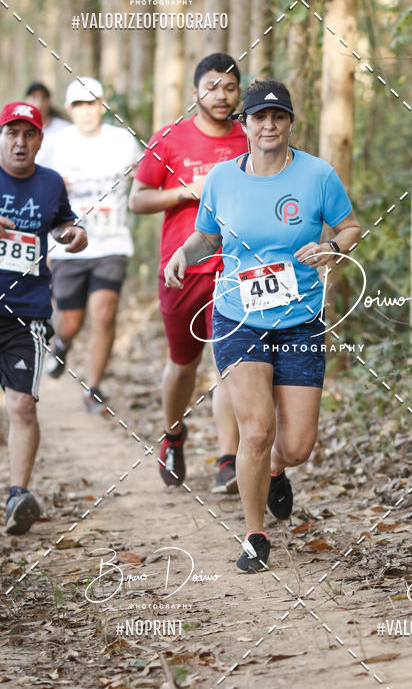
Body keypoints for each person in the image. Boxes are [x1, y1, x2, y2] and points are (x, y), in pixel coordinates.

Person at [164, 79, 362, 573]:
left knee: (295, 445)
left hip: (300, 321)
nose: (269, 125)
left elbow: (351, 227)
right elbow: (205, 238)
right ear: (244, 124)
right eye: (259, 117)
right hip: (237, 319)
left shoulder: (318, 175)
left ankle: (275, 470)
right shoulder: (222, 180)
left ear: (290, 122)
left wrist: (332, 248)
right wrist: (180, 256)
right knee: (255, 431)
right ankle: (255, 534)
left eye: (278, 117)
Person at [129, 53, 245, 492]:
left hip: (236, 268)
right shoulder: (171, 139)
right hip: (182, 268)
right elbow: (137, 200)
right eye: (212, 86)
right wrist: (186, 191)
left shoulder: (247, 138)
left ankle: (228, 461)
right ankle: (173, 435)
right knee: (184, 364)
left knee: (232, 365)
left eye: (230, 87)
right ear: (196, 91)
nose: (221, 95)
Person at [0, 101, 87, 534]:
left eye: (28, 134)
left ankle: (18, 495)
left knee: (23, 405)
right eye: (12, 133)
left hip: (26, 311)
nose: (20, 142)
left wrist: (74, 235)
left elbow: (63, 223)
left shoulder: (50, 183)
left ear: (39, 139)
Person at [42, 77, 138, 412]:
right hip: (68, 244)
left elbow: (141, 180)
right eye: (79, 105)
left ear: (103, 105)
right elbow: (43, 195)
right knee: (70, 321)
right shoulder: (56, 144)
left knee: (104, 313)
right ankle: (62, 343)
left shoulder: (123, 141)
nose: (86, 111)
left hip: (111, 242)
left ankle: (93, 387)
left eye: (92, 103)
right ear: (70, 109)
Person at [24, 82, 69, 154]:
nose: (39, 103)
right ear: (26, 100)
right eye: (34, 97)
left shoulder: (64, 129)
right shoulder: (20, 130)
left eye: (43, 97)